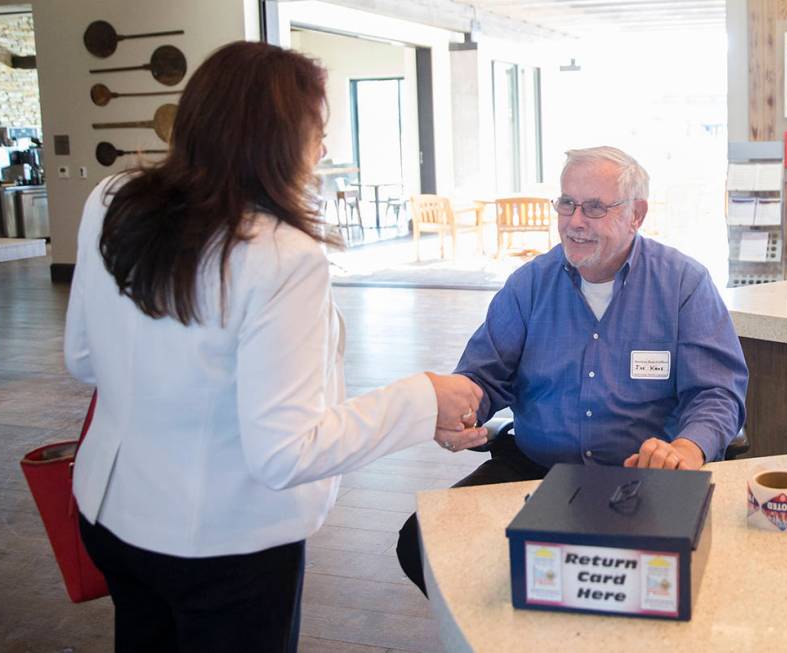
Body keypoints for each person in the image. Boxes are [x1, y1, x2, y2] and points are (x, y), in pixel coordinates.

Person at [64, 42, 486, 653]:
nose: (322, 151)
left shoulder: (110, 200)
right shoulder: (281, 254)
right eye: (319, 132)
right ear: (281, 139)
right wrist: (423, 402)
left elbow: (81, 358)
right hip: (222, 542)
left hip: (112, 511)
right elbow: (285, 451)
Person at [396, 146, 748, 595]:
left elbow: (716, 391)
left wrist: (687, 447)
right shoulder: (528, 285)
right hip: (536, 470)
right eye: (567, 203)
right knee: (422, 541)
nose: (575, 221)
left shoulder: (683, 284)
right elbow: (483, 378)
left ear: (636, 214)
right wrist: (457, 412)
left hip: (642, 479)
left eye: (595, 207)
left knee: (630, 580)